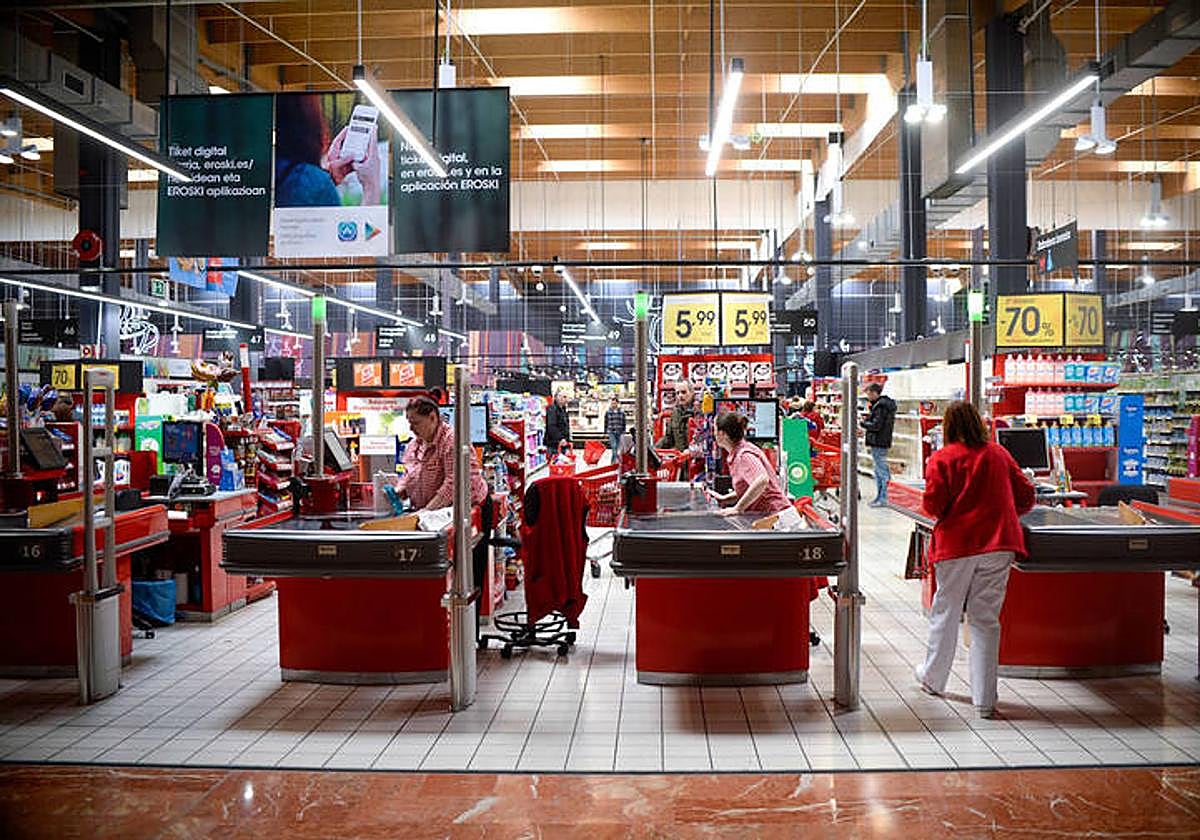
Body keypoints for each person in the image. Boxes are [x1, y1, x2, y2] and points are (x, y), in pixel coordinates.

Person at [915, 401, 1035, 720]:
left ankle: (933, 679)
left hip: (956, 545)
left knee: (946, 611)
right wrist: (1002, 514)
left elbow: (934, 504)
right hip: (998, 544)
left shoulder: (942, 458)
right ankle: (984, 699)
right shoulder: (999, 454)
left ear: (948, 426)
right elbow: (1026, 495)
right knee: (985, 620)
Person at [397, 396, 488, 512]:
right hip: (430, 511)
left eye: (416, 423)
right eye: (409, 423)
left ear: (432, 418)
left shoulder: (453, 441)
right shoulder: (415, 444)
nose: (411, 428)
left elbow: (453, 485)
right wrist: (400, 489)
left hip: (466, 511)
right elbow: (409, 475)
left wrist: (426, 511)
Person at [710, 412, 791, 516]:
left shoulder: (744, 455)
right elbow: (750, 486)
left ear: (723, 434)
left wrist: (738, 508)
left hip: (777, 518)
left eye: (715, 429)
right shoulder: (739, 451)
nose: (714, 434)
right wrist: (725, 499)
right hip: (770, 516)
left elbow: (762, 480)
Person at [862, 382, 896, 507]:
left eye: (869, 393)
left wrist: (863, 423)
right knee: (879, 470)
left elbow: (876, 425)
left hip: (879, 441)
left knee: (881, 470)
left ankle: (884, 498)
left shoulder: (881, 407)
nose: (868, 396)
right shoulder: (881, 405)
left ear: (875, 393)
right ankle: (880, 497)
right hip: (880, 441)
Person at [656, 381, 695, 451]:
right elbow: (668, 438)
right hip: (680, 458)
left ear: (692, 393)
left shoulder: (700, 412)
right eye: (677, 393)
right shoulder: (675, 414)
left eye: (683, 392)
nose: (680, 396)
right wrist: (654, 450)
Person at [543, 390, 572, 456]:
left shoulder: (563, 409)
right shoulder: (552, 409)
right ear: (558, 398)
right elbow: (551, 426)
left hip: (562, 443)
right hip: (554, 444)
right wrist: (560, 438)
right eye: (564, 397)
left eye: (567, 397)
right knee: (555, 462)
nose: (566, 399)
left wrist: (567, 440)